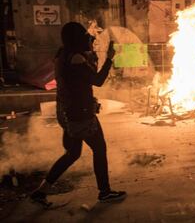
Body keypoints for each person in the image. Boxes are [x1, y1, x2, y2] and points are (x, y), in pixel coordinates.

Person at [30, 22, 126, 207]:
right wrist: (109, 58)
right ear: (76, 39)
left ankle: (41, 192)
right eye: (84, 35)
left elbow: (80, 77)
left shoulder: (62, 54)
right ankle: (104, 192)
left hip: (66, 111)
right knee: (99, 149)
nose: (88, 38)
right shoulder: (76, 58)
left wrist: (92, 54)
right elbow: (97, 80)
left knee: (72, 153)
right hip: (80, 114)